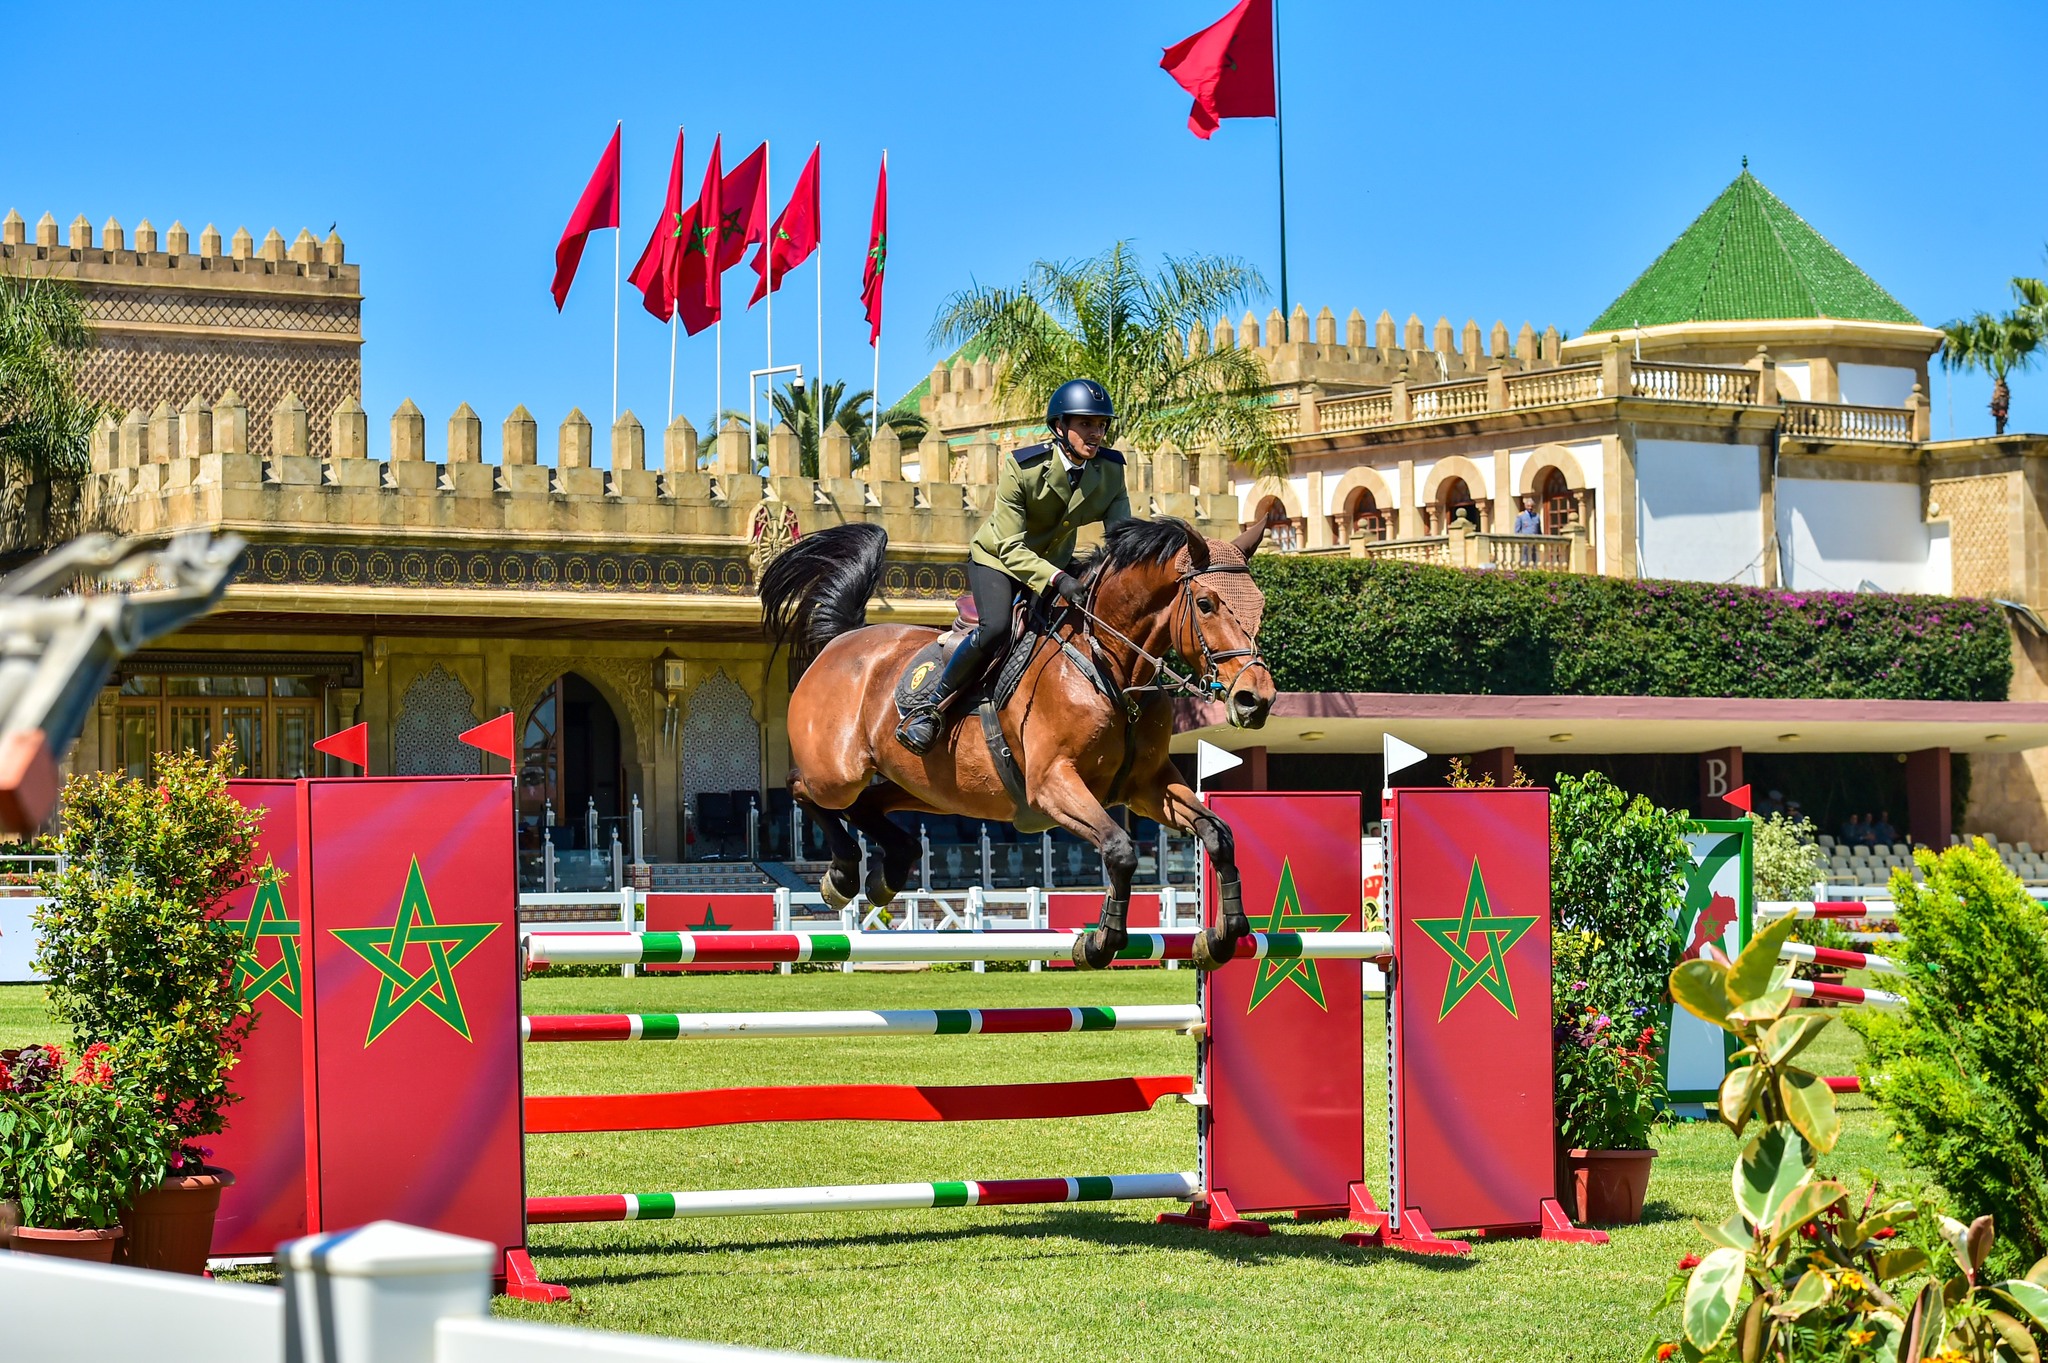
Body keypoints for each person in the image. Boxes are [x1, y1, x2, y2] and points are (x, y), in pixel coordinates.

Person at [894, 378, 1135, 754]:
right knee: (997, 629)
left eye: (1101, 425)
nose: (1096, 433)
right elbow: (1008, 544)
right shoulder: (1023, 468)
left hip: (1054, 563)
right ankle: (931, 709)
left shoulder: (1110, 470)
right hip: (998, 559)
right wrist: (1057, 579)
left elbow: (1122, 539)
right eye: (1086, 424)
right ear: (1060, 426)